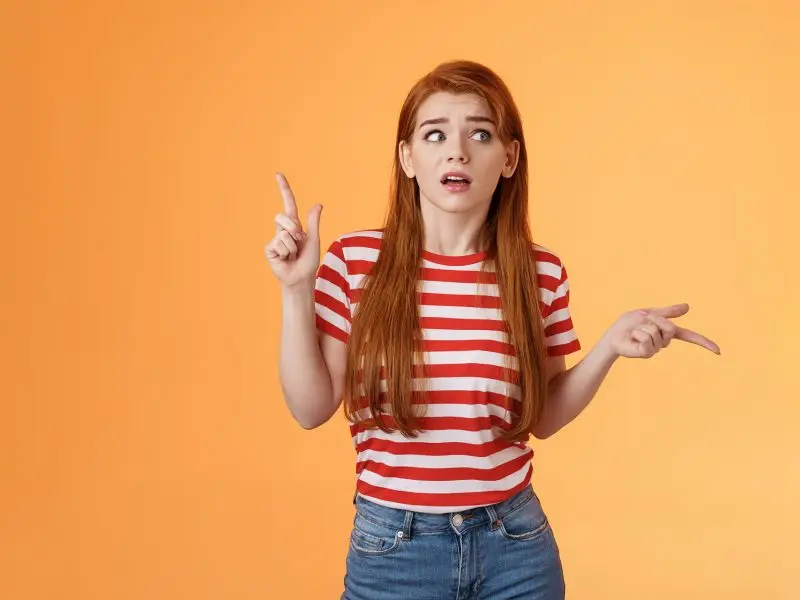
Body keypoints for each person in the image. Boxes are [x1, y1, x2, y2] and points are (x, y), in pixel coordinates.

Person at [265, 60, 720, 600]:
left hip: (515, 545)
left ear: (509, 157)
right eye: (435, 134)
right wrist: (296, 289)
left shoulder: (538, 272)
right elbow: (309, 409)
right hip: (393, 547)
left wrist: (609, 347)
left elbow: (543, 417)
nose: (457, 150)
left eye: (480, 133)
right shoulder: (355, 261)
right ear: (408, 158)